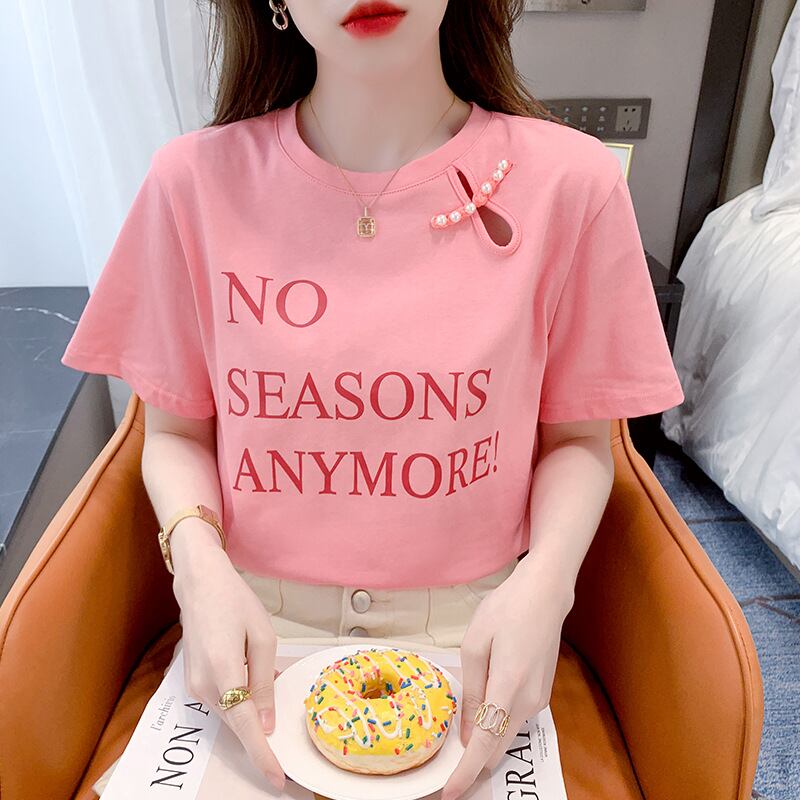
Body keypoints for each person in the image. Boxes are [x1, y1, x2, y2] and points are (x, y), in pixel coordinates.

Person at [61, 0, 685, 797]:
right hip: (249, 629)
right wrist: (198, 571)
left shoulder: (572, 184)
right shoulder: (191, 184)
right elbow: (176, 431)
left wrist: (547, 587)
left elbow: (579, 442)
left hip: (476, 636)